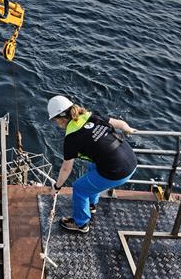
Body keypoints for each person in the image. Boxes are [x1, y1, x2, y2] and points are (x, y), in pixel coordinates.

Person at [46, 95, 138, 233]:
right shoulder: (92, 116)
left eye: (55, 120)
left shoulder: (71, 138)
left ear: (60, 119)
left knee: (79, 188)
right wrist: (129, 129)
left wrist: (57, 186)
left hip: (117, 172)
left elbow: (66, 168)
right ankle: (91, 205)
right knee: (93, 166)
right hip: (131, 158)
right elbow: (120, 124)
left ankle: (81, 224)